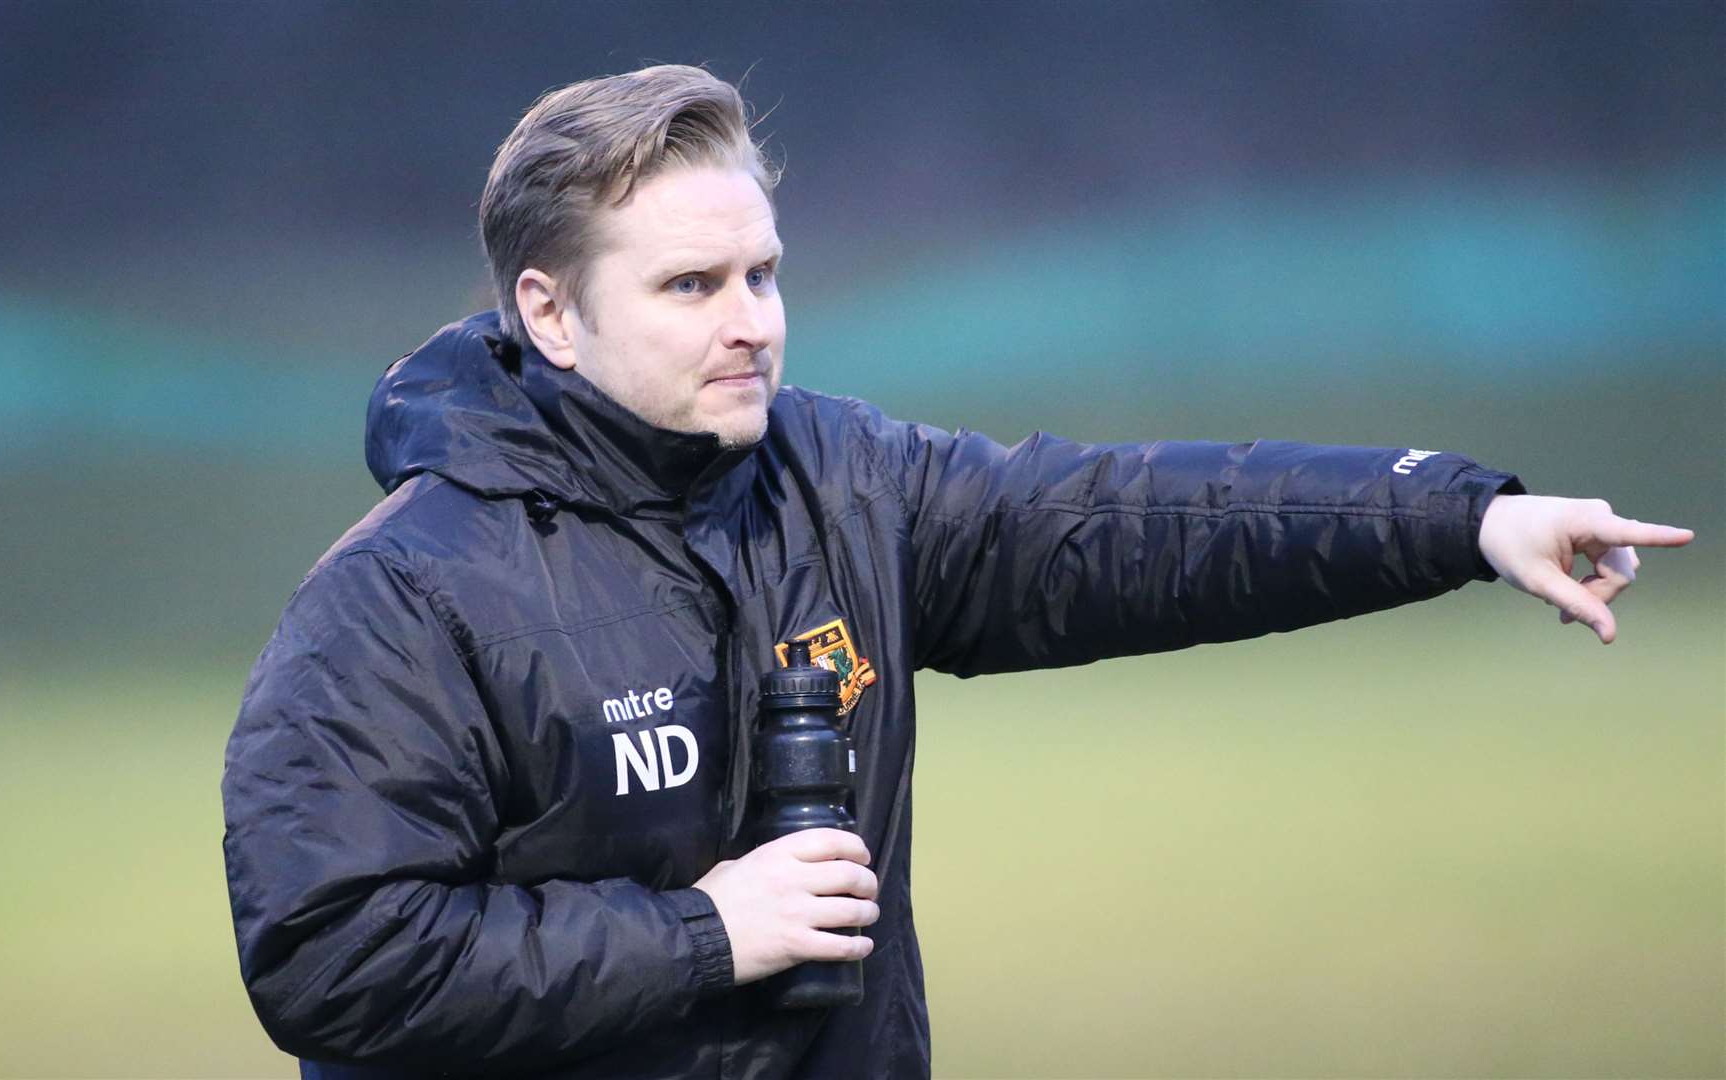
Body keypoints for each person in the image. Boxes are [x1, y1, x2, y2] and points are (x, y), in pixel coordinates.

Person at [220, 65, 1693, 1079]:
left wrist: (1455, 520)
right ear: (548, 311)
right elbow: (335, 954)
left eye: (763, 274)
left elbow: (1132, 521)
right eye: (689, 286)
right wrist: (704, 935)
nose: (751, 322)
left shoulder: (847, 482)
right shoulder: (401, 595)